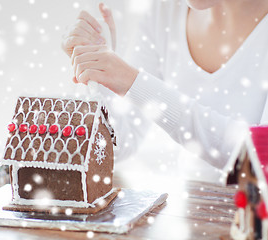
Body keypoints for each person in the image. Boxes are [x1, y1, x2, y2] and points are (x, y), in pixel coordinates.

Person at [61, 1, 268, 182]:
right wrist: (97, 79)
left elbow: (257, 158)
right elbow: (117, 146)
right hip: (193, 213)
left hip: (255, 217)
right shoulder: (163, 10)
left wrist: (135, 84)